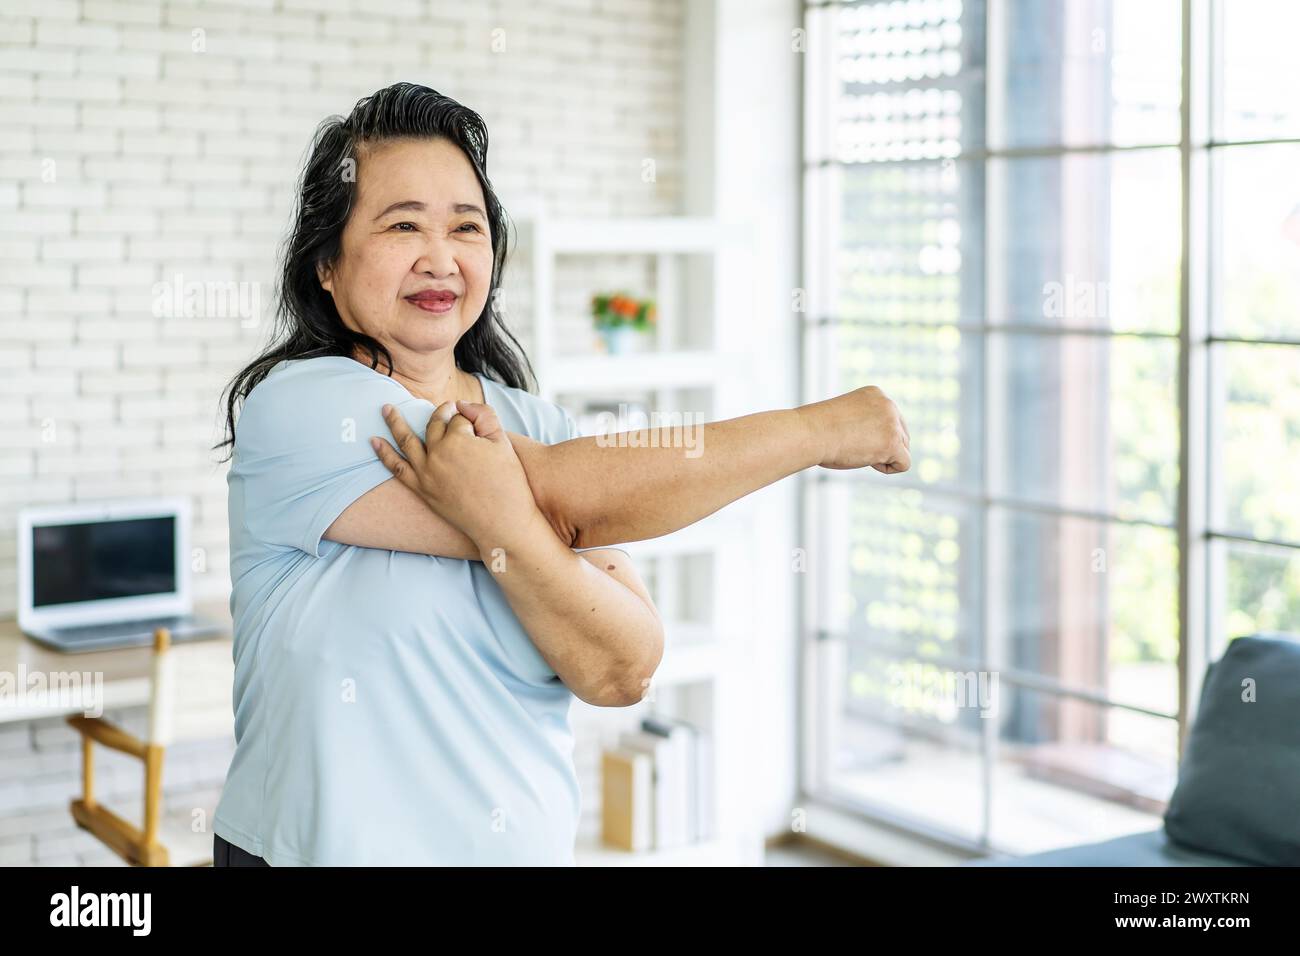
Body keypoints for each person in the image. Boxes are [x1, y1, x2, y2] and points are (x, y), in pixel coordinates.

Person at [211, 82, 910, 866]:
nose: (439, 256)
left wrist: (506, 523)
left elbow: (623, 668)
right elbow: (561, 498)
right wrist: (817, 429)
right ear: (328, 266)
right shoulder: (305, 408)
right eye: (402, 223)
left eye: (465, 228)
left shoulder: (538, 424)